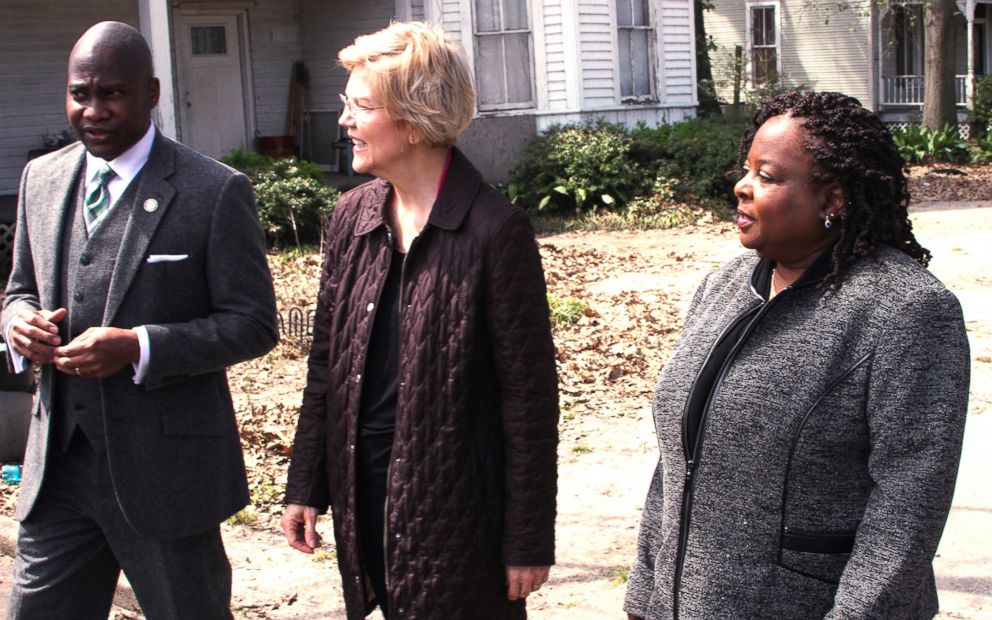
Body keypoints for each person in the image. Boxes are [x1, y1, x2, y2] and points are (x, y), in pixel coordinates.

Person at [624, 91, 970, 619]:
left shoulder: (905, 310)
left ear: (832, 199)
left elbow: (907, 507)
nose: (741, 186)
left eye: (767, 176)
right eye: (746, 170)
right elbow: (677, 459)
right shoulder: (722, 288)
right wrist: (645, 599)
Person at [280, 21, 559, 619]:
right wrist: (306, 484)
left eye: (361, 106)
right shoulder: (352, 216)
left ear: (412, 118)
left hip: (458, 508)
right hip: (365, 490)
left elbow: (529, 402)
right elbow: (326, 363)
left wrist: (528, 539)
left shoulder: (494, 232)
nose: (344, 120)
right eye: (344, 104)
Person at [1, 21, 278, 619]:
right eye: (81, 93)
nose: (93, 110)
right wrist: (17, 323)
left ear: (151, 93)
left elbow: (253, 323)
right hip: (59, 471)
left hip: (166, 477)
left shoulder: (213, 191)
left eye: (113, 93)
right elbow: (18, 289)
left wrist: (141, 346)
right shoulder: (41, 180)